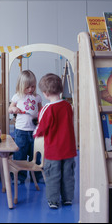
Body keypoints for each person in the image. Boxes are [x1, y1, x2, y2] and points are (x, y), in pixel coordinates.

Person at [34, 73, 77, 209]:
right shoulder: (67, 106)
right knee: (68, 175)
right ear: (60, 90)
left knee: (53, 175)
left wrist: (35, 133)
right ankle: (68, 198)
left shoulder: (47, 109)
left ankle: (53, 201)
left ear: (45, 93)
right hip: (69, 149)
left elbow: (41, 128)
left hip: (54, 151)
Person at [8, 70, 42, 184]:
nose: (30, 89)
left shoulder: (37, 97)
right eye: (27, 87)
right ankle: (19, 177)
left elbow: (41, 110)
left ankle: (37, 176)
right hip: (21, 131)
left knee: (36, 155)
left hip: (35, 131)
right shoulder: (17, 97)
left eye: (33, 86)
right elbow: (10, 109)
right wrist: (14, 109)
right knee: (20, 154)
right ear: (21, 86)